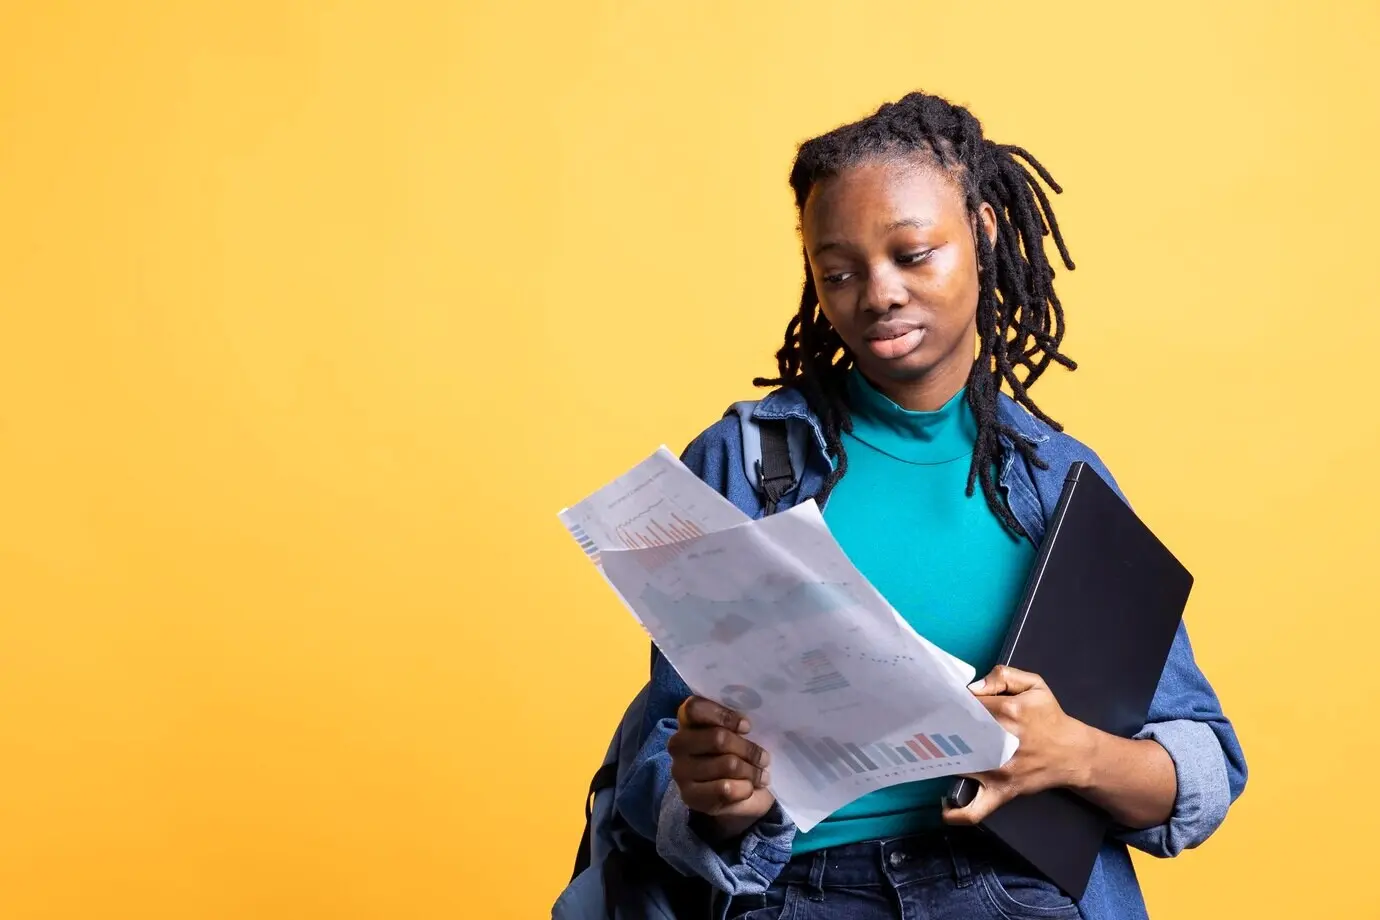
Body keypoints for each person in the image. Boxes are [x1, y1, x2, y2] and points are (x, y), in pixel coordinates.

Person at [612, 91, 1247, 920]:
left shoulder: (1057, 481)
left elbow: (1198, 766)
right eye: (837, 272)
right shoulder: (741, 462)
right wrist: (719, 798)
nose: (877, 294)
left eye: (912, 255)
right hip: (790, 893)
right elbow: (668, 751)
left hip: (1006, 886)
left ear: (983, 233)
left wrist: (1071, 755)